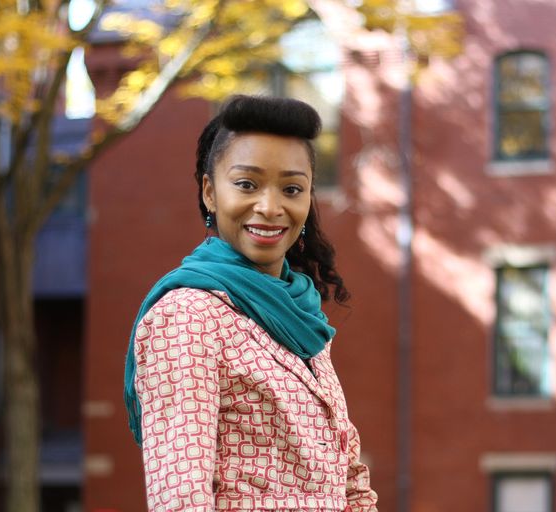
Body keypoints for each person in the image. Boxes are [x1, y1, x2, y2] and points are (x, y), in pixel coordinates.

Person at [123, 95, 378, 511]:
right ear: (210, 192)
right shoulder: (187, 315)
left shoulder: (301, 318)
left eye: (291, 189)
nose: (270, 207)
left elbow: (348, 480)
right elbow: (181, 497)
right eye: (246, 184)